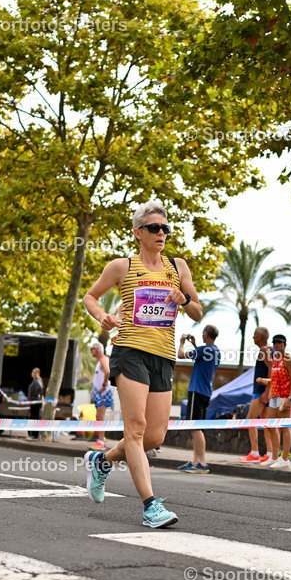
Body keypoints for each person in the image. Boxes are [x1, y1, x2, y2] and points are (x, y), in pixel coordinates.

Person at [82, 199, 202, 528]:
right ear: (138, 232)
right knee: (135, 430)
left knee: (154, 437)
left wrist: (185, 298)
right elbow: (89, 296)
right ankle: (151, 506)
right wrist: (102, 315)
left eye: (165, 228)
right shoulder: (122, 267)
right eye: (154, 228)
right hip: (129, 351)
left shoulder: (178, 267)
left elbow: (197, 312)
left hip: (163, 356)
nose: (161, 233)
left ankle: (101, 462)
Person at [177, 325, 221, 473]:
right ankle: (195, 460)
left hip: (197, 390)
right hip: (206, 392)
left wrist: (182, 342)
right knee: (198, 427)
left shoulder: (204, 349)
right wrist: (196, 345)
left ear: (206, 334)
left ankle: (202, 462)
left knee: (194, 427)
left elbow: (181, 355)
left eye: (203, 333)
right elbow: (201, 359)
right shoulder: (215, 351)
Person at [256, 333, 291, 469]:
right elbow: (275, 379)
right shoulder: (275, 360)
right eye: (275, 342)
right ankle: (274, 456)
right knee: (272, 426)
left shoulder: (288, 359)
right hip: (274, 395)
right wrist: (264, 381)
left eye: (280, 342)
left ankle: (285, 458)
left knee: (285, 428)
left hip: (285, 396)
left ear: (285, 344)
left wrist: (290, 398)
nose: (277, 344)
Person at [237, 327, 273, 463]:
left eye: (255, 335)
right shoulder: (269, 349)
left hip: (260, 390)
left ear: (261, 337)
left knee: (250, 420)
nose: (253, 337)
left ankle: (254, 453)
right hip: (265, 390)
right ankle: (269, 454)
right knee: (265, 423)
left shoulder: (264, 349)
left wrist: (266, 391)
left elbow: (271, 367)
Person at [89, 343, 113, 448]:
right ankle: (100, 439)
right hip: (99, 393)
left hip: (103, 393)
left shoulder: (104, 359)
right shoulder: (99, 361)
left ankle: (101, 441)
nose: (90, 351)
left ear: (97, 349)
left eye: (92, 349)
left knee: (100, 416)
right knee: (98, 416)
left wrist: (104, 385)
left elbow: (107, 371)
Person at [27, 367, 43, 440]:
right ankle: (33, 433)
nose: (33, 373)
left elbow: (38, 391)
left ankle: (34, 434)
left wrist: (34, 396)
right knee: (34, 417)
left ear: (38, 374)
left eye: (35, 372)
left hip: (35, 403)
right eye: (33, 372)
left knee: (34, 418)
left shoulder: (37, 382)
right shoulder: (35, 381)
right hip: (34, 402)